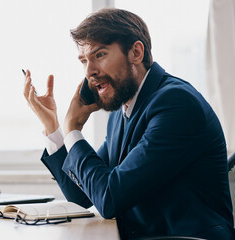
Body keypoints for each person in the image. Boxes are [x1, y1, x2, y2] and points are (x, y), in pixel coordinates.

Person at [23, 8, 235, 239]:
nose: (89, 72)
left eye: (99, 55)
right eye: (84, 60)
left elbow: (109, 199)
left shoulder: (177, 104)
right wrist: (54, 128)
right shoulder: (121, 111)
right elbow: (83, 196)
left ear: (136, 52)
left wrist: (72, 130)